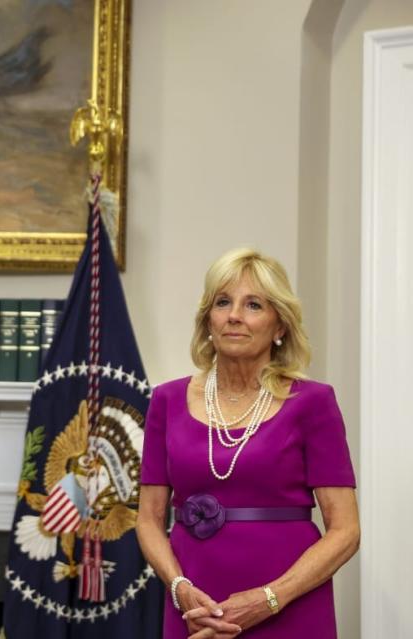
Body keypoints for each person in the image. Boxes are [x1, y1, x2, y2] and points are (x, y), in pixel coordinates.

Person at [135, 248, 359, 638]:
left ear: (280, 327)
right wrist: (179, 588)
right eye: (223, 302)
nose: (234, 315)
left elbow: (346, 530)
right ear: (208, 319)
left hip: (289, 601)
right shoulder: (166, 400)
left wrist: (269, 598)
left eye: (253, 304)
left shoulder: (313, 402)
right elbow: (148, 519)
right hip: (195, 604)